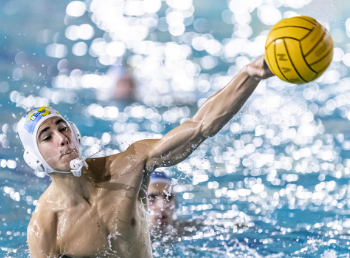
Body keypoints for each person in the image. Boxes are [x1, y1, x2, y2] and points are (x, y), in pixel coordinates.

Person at [18, 56, 273, 258]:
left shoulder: (127, 166)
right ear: (35, 159)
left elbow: (198, 127)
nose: (61, 138)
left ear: (75, 132)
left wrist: (249, 74)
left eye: (62, 128)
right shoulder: (45, 228)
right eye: (47, 137)